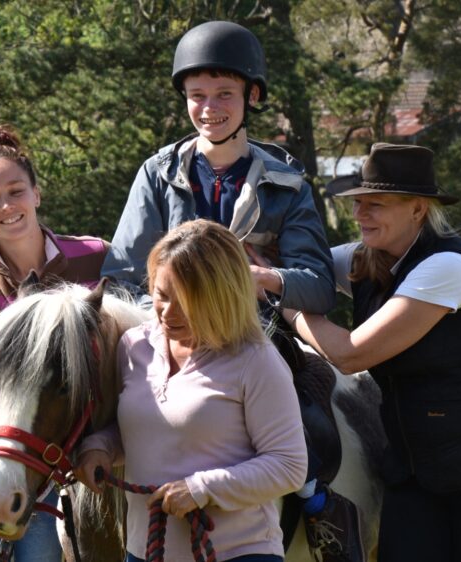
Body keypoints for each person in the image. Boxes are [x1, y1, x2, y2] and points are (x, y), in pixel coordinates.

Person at [101, 20, 360, 559]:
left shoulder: (286, 182)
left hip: (257, 333)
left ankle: (319, 514)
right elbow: (123, 275)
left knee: (312, 425)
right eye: (197, 96)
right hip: (166, 333)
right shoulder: (156, 175)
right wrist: (172, 314)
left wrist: (261, 277)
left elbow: (316, 286)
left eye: (224, 94)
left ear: (252, 96)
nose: (209, 108)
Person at [283, 143, 461, 562]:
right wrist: (262, 269)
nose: (360, 214)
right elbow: (302, 272)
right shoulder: (363, 258)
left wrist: (289, 307)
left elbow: (352, 354)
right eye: (358, 203)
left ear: (417, 209)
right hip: (417, 474)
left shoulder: (449, 267)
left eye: (376, 205)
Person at [76, 219, 308, 562]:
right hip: (143, 551)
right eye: (161, 295)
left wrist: (202, 490)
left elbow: (288, 466)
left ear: (221, 297)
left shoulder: (256, 361)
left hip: (238, 553)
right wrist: (101, 447)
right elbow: (147, 432)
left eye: (185, 301)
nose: (168, 314)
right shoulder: (133, 347)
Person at [0, 124, 109, 562]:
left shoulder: (95, 256)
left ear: (37, 194)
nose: (6, 206)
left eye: (16, 191)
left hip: (57, 468)